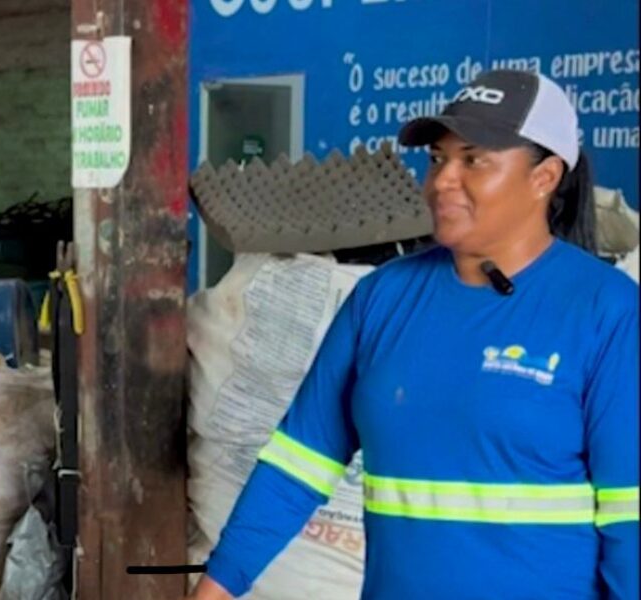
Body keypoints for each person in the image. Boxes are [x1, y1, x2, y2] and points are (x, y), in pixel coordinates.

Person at [187, 69, 638, 599]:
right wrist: (214, 590)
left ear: (544, 178)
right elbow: (295, 468)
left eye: (474, 160)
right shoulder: (381, 300)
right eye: (438, 159)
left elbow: (630, 517)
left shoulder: (604, 309)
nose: (443, 179)